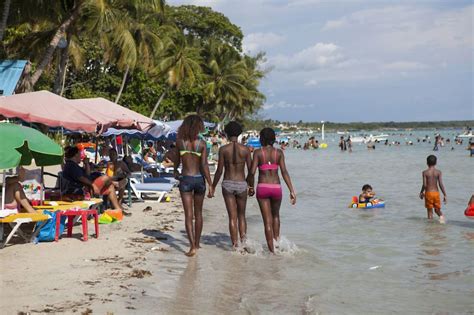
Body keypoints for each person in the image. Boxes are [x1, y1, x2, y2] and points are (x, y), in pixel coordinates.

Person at [249, 128, 296, 254]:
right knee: (276, 216)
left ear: (262, 139)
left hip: (263, 187)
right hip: (276, 188)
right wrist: (292, 190)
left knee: (267, 220)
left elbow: (252, 172)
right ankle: (277, 244)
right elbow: (284, 172)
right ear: (273, 139)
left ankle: (272, 251)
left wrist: (250, 187)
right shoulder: (279, 153)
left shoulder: (258, 153)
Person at [174, 115, 214, 257]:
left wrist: (174, 172)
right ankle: (197, 243)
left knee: (188, 215)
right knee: (198, 214)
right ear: (198, 127)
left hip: (186, 178)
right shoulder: (202, 144)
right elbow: (204, 165)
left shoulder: (180, 142)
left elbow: (177, 161)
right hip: (199, 179)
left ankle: (192, 247)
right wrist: (210, 184)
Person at [210, 122, 252, 250]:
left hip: (227, 183)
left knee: (232, 217)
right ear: (239, 133)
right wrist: (251, 186)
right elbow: (251, 171)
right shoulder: (245, 150)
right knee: (241, 216)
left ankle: (235, 246)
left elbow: (219, 171)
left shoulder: (223, 149)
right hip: (241, 184)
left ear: (227, 134)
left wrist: (212, 186)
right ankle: (243, 243)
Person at [62, 146, 122, 211]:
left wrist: (86, 164)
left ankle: (118, 210)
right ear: (76, 154)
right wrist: (93, 185)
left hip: (86, 188)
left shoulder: (74, 165)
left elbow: (87, 175)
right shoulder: (71, 165)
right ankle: (115, 183)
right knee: (105, 177)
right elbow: (81, 178)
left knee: (110, 187)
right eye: (80, 154)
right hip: (81, 190)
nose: (81, 156)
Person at [419, 155, 447, 223]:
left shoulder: (425, 172)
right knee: (437, 209)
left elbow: (425, 184)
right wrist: (445, 194)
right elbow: (440, 184)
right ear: (436, 163)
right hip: (436, 193)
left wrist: (421, 192)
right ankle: (442, 218)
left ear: (427, 163)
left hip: (428, 193)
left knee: (430, 211)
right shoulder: (438, 172)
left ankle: (430, 227)